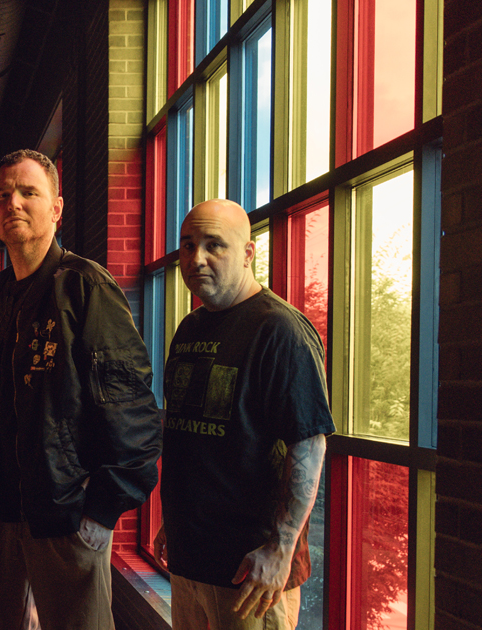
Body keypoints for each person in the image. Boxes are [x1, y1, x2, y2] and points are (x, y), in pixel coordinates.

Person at [0, 149, 163, 630]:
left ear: (56, 207)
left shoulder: (85, 287)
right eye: (2, 194)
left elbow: (131, 404)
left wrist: (104, 508)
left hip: (67, 514)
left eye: (29, 192)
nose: (13, 203)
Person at [154, 198, 334, 630]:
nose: (197, 258)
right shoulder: (190, 327)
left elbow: (308, 441)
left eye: (215, 245)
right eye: (187, 244)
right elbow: (190, 437)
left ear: (249, 253)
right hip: (190, 556)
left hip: (251, 571)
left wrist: (281, 547)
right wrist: (172, 523)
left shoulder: (280, 330)